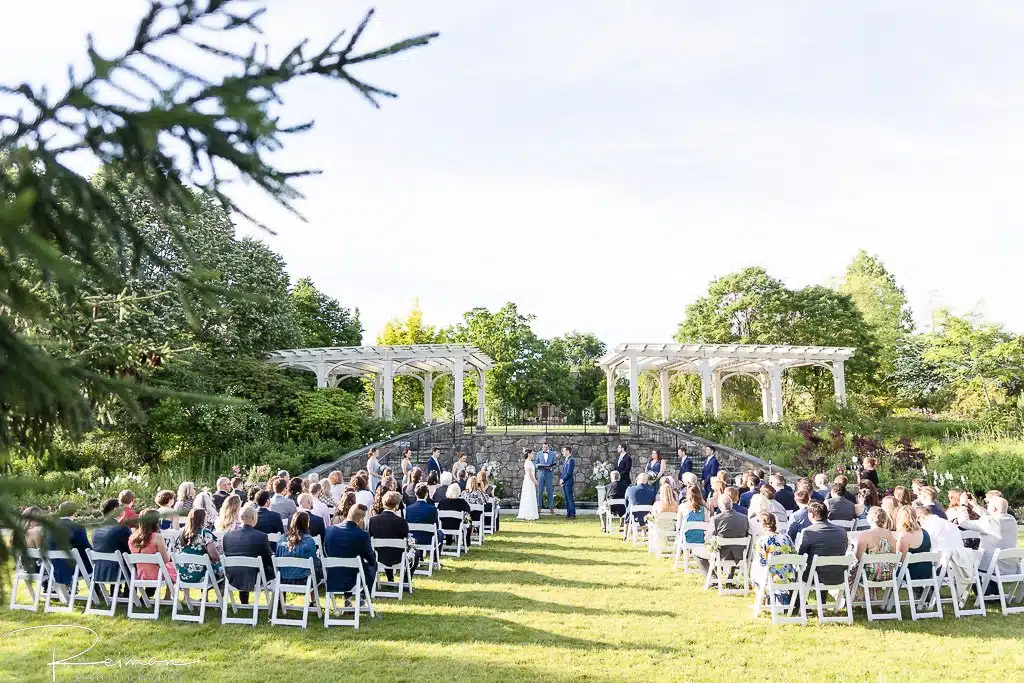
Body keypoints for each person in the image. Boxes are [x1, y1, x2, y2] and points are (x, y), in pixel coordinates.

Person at [223, 505, 275, 604]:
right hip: (255, 577)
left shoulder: (227, 536)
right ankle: (277, 605)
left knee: (245, 568)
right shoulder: (261, 536)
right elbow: (269, 559)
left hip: (233, 576)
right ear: (254, 517)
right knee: (273, 570)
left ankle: (244, 602)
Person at [959, 494, 1018, 579]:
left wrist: (963, 505)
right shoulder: (1011, 519)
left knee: (964, 568)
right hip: (1010, 568)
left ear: (994, 509)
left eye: (988, 506)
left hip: (991, 569)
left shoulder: (989, 522)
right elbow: (991, 515)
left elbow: (963, 523)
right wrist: (974, 505)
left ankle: (982, 592)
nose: (986, 508)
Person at [324, 505, 375, 595]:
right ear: (360, 520)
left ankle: (348, 599)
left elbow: (326, 552)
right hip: (353, 576)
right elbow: (370, 557)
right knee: (372, 566)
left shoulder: (329, 530)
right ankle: (364, 596)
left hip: (333, 573)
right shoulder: (362, 535)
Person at [796, 502, 848, 585]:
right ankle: (822, 598)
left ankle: (796, 597)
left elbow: (800, 556)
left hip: (815, 576)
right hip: (839, 576)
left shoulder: (808, 531)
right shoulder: (842, 530)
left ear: (811, 515)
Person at [170, 508, 224, 586]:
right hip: (202, 576)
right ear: (203, 519)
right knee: (224, 570)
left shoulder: (182, 535)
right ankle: (217, 597)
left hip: (183, 575)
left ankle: (202, 596)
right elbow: (215, 556)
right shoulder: (205, 534)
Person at [850, 506, 897, 595]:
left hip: (869, 575)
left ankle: (852, 599)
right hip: (887, 574)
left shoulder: (865, 535)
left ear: (870, 518)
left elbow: (858, 557)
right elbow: (894, 554)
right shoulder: (890, 535)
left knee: (849, 571)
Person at [369, 491, 416, 578]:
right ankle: (405, 581)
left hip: (378, 555)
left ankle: (390, 577)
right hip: (398, 556)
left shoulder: (373, 520)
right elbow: (406, 538)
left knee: (386, 547)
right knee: (416, 554)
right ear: (397, 505)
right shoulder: (401, 521)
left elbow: (370, 537)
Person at [47, 501, 93, 588]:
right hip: (72, 569)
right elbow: (85, 548)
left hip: (54, 567)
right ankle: (97, 591)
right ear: (75, 513)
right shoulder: (77, 528)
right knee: (94, 563)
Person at [128, 509, 177, 589]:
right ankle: (167, 597)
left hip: (140, 574)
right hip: (157, 574)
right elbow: (166, 560)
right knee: (174, 567)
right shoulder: (157, 537)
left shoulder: (132, 537)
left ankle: (151, 596)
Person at [699, 495, 749, 573]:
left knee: (697, 552)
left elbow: (707, 538)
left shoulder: (716, 519)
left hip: (721, 555)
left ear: (720, 506)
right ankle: (730, 575)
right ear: (732, 504)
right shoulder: (744, 518)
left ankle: (713, 578)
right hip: (740, 554)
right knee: (733, 544)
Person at [752, 512, 796, 597]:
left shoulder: (762, 541)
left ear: (763, 525)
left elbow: (762, 563)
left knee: (754, 570)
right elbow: (794, 555)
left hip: (772, 578)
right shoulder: (786, 537)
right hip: (789, 577)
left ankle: (762, 599)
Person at [275, 511, 322, 586]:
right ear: (306, 524)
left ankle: (280, 597)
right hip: (304, 580)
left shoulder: (281, 539)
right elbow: (314, 563)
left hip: (283, 580)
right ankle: (313, 597)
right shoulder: (309, 541)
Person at [91, 499, 134, 582]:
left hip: (100, 570)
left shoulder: (96, 529)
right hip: (118, 570)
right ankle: (130, 593)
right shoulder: (122, 529)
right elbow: (131, 548)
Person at [406, 483, 440, 550]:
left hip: (413, 539)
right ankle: (436, 557)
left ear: (415, 494)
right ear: (426, 494)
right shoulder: (432, 508)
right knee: (440, 533)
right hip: (428, 539)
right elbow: (436, 526)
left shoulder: (408, 509)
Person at [535, 440, 558, 515]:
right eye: (544, 447)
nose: (545, 448)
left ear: (548, 447)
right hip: (541, 474)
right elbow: (535, 464)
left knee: (550, 491)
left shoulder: (552, 454)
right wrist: (540, 466)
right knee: (540, 491)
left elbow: (555, 464)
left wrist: (551, 468)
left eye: (546, 447)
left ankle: (551, 508)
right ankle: (539, 507)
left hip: (549, 474)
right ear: (542, 447)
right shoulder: (538, 454)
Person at [517, 451, 540, 521]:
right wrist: (535, 481)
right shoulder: (527, 462)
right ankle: (528, 514)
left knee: (531, 495)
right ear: (528, 454)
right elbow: (529, 474)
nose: (533, 455)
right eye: (532, 454)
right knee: (528, 495)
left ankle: (532, 513)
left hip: (530, 480)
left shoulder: (530, 462)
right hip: (529, 481)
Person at [560, 445, 577, 519]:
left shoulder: (571, 460)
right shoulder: (566, 460)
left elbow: (569, 473)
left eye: (564, 451)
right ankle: (568, 513)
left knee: (570, 499)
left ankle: (572, 514)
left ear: (567, 451)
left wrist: (563, 480)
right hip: (565, 482)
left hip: (568, 482)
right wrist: (561, 479)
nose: (563, 452)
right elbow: (564, 472)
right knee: (566, 499)